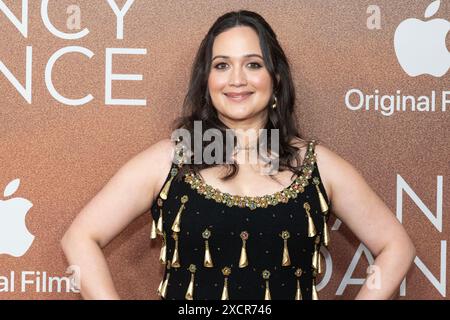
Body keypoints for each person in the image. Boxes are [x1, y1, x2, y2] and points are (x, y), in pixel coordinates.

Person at [61, 10, 415, 300]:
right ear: (206, 81)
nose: (237, 80)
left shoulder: (317, 165)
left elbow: (396, 246)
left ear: (276, 78)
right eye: (222, 65)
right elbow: (80, 238)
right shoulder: (171, 158)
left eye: (253, 64)